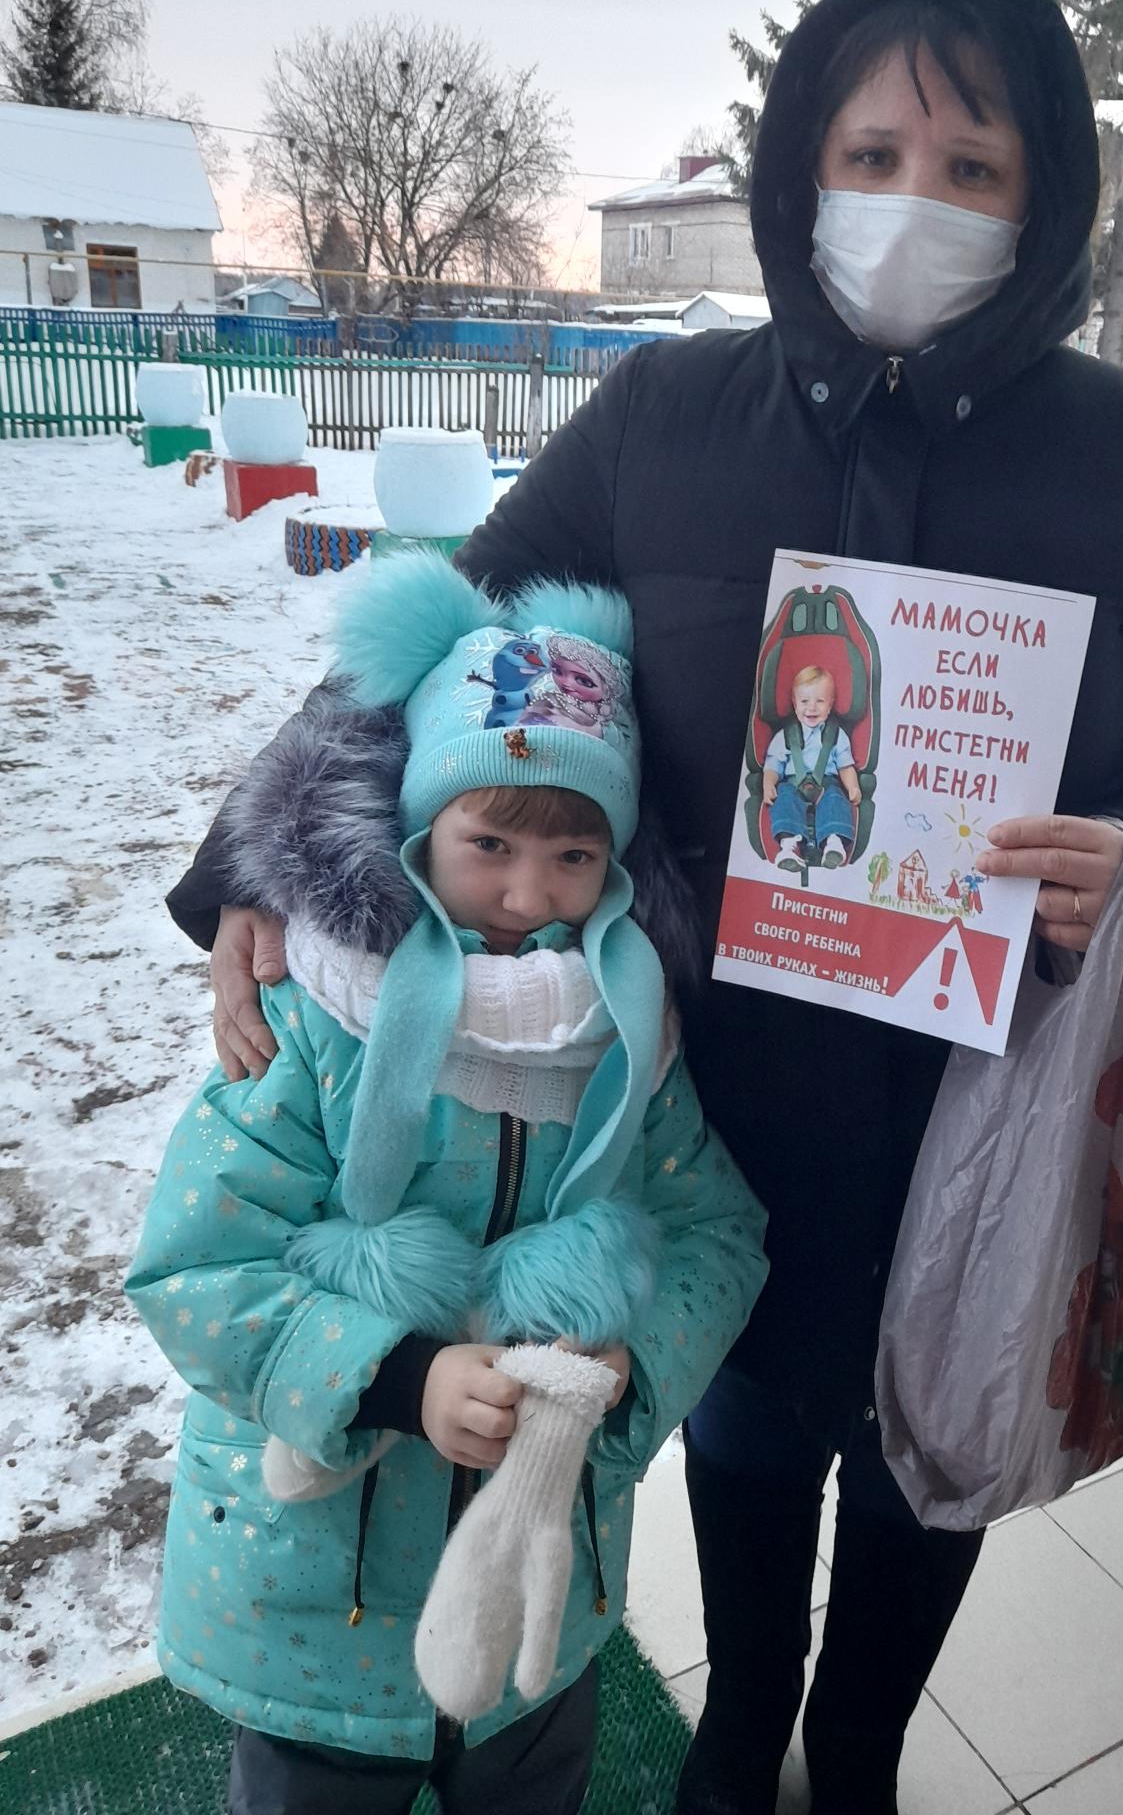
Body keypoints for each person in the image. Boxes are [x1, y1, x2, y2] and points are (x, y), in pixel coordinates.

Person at [173, 0, 1123, 1815]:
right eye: (873, 154)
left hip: (987, 1116)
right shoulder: (667, 420)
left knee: (931, 1461)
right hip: (717, 1102)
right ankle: (736, 1732)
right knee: (743, 1428)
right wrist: (257, 857)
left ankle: (856, 1760)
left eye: (971, 167)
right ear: (800, 173)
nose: (913, 201)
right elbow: (437, 642)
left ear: (1042, 203)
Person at [127, 558, 767, 1815]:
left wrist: (628, 1367)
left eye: (574, 851)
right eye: (490, 844)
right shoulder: (316, 1018)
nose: (529, 892)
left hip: (535, 1597)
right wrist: (396, 1375)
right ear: (422, 828)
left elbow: (719, 1233)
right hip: (318, 1610)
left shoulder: (628, 1039)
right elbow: (195, 1263)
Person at [762, 664, 862, 871]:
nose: (812, 708)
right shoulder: (785, 735)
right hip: (792, 785)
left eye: (820, 701)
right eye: (804, 701)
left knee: (836, 799)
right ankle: (788, 848)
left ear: (830, 705)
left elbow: (845, 766)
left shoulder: (837, 735)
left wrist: (853, 787)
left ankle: (833, 843)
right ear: (795, 703)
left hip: (827, 785)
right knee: (784, 798)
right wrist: (768, 784)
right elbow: (773, 764)